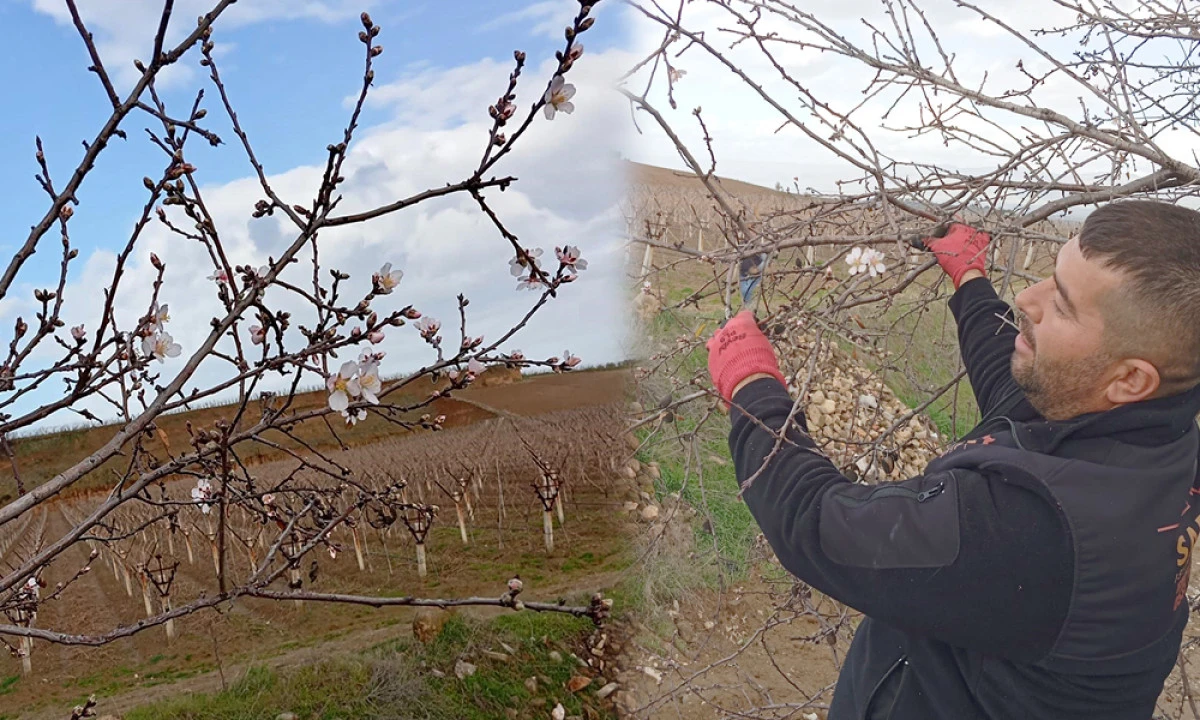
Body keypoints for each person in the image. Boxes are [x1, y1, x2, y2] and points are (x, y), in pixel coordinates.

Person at [704, 200, 1200, 719]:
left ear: (1131, 379)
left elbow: (816, 522)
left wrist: (751, 387)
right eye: (1048, 279)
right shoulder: (1156, 440)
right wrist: (969, 277)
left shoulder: (1032, 528)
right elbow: (1015, 388)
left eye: (1063, 305)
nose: (1027, 299)